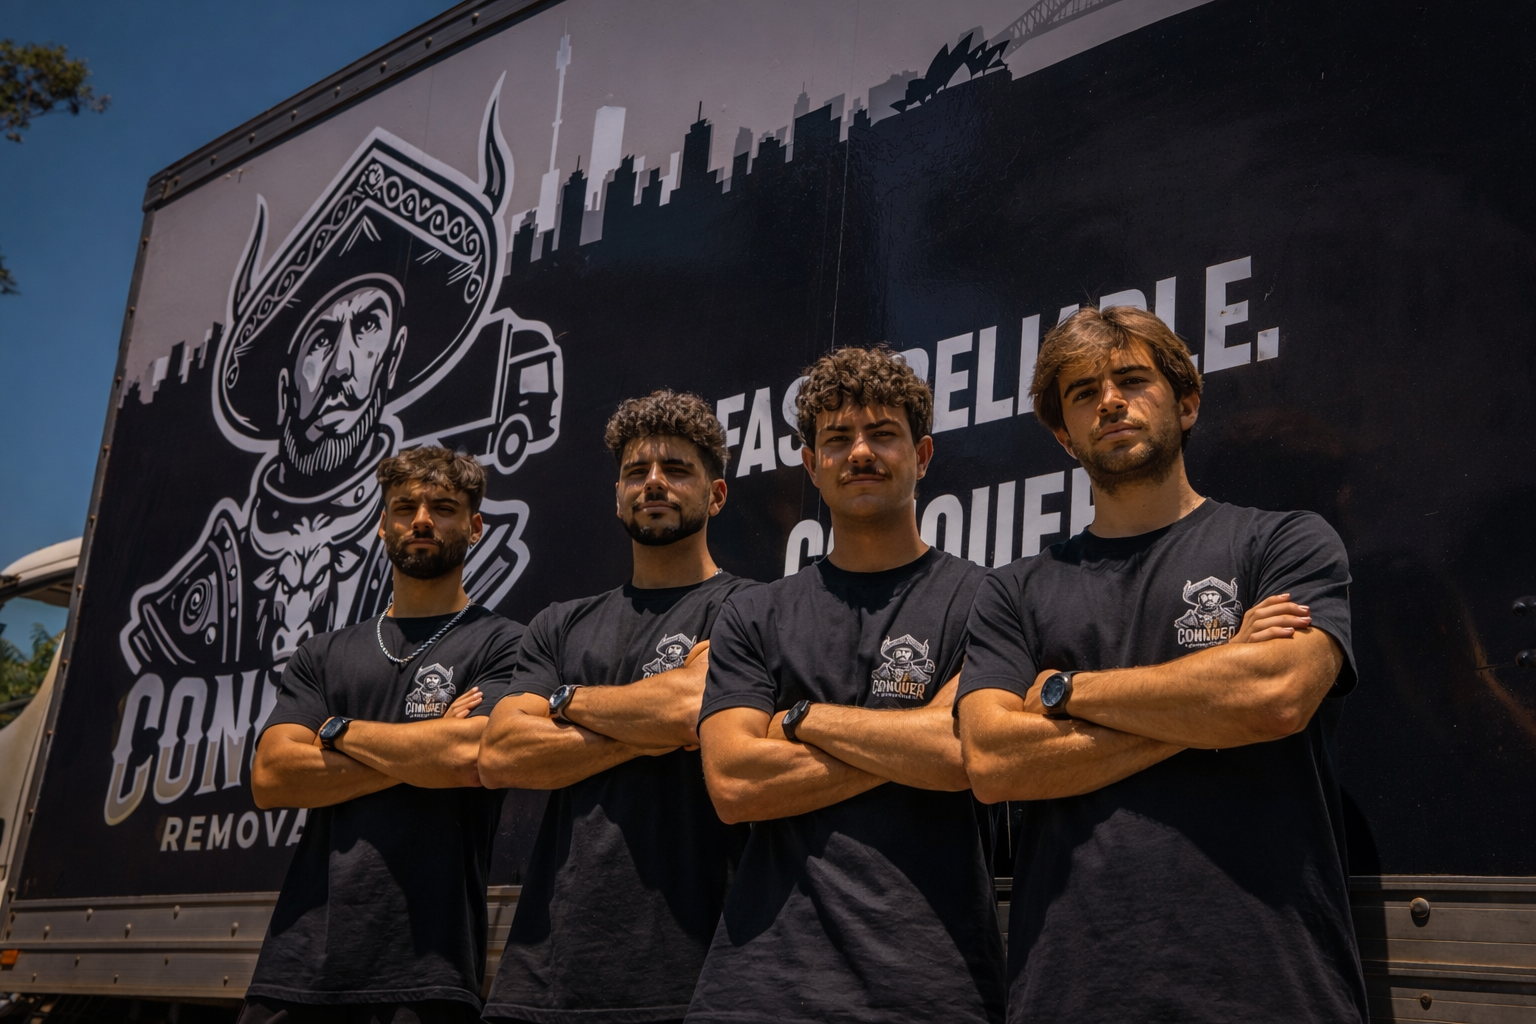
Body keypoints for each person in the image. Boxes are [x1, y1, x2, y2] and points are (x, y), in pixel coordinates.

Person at [957, 305, 1368, 1022]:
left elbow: (1275, 697)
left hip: (1271, 988)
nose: (1110, 401)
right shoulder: (1013, 591)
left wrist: (1063, 690)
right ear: (1063, 435)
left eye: (1132, 379)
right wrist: (1215, 695)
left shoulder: (1285, 544)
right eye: (1083, 392)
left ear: (1187, 403)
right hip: (1073, 995)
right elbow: (993, 761)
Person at [686, 348, 1007, 1024]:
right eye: (837, 439)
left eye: (883, 434)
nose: (860, 452)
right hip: (759, 991)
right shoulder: (753, 615)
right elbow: (734, 784)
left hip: (931, 990)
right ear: (811, 464)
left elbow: (964, 754)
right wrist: (909, 741)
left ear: (922, 455)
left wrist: (798, 720)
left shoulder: (987, 599)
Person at [478, 391, 757, 1024]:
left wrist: (563, 703)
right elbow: (501, 753)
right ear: (617, 495)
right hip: (543, 976)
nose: (654, 482)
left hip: (691, 972)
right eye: (637, 471)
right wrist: (648, 723)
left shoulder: (749, 610)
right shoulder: (559, 624)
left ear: (716, 495)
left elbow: (690, 706)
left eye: (676, 469)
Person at [240, 446, 524, 1024]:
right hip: (299, 965)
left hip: (429, 968)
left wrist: (336, 731)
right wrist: (424, 745)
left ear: (474, 527)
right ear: (382, 525)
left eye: (443, 508)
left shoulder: (506, 644)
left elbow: (469, 757)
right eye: (404, 507)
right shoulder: (323, 653)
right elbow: (272, 777)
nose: (421, 520)